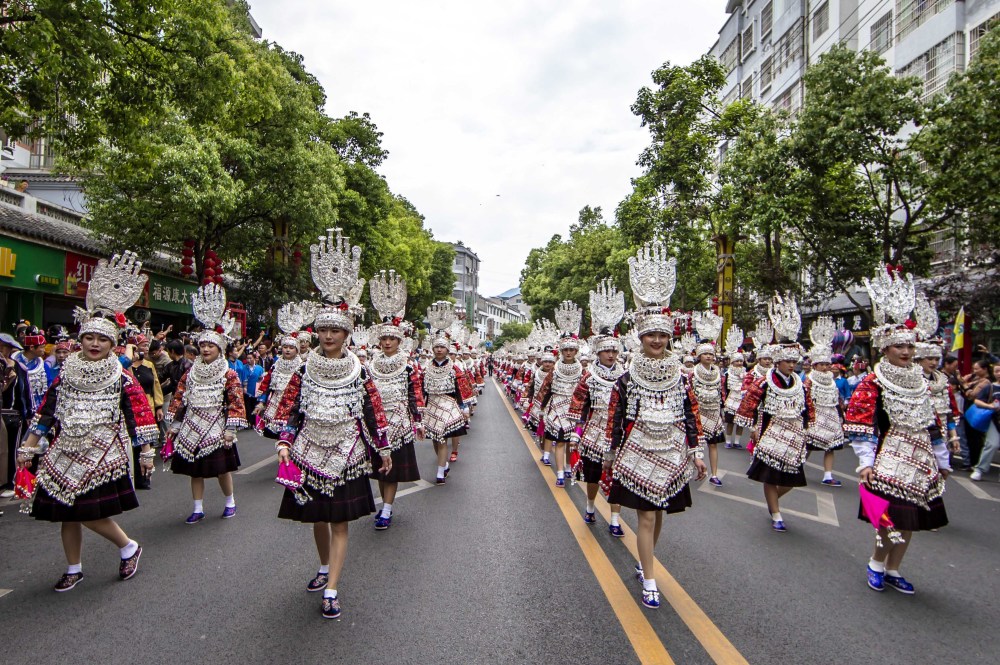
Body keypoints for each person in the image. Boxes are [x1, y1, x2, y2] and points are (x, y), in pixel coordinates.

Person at [16, 252, 157, 591]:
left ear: (113, 343)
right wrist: (29, 447)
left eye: (103, 339)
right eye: (90, 338)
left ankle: (129, 546)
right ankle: (73, 567)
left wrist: (147, 450)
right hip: (65, 448)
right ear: (80, 340)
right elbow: (47, 410)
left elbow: (138, 412)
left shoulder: (121, 375)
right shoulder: (65, 372)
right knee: (66, 511)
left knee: (87, 510)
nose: (95, 344)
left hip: (103, 448)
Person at [271, 227, 392, 619]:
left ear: (346, 333)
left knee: (339, 520)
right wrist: (285, 440)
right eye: (322, 329)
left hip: (348, 452)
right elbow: (292, 410)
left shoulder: (361, 370)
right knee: (317, 517)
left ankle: (333, 588)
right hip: (308, 450)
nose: (327, 335)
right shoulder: (304, 369)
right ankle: (323, 567)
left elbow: (374, 409)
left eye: (334, 329)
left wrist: (384, 447)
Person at [607, 242, 706, 609]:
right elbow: (616, 418)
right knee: (646, 515)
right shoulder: (625, 378)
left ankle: (644, 562)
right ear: (641, 337)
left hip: (672, 451)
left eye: (663, 335)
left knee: (659, 511)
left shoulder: (682, 376)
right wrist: (610, 453)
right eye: (651, 335)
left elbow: (690, 414)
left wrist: (695, 454)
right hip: (637, 453)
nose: (657, 340)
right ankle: (650, 578)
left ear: (669, 337)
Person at [846, 268, 951, 595]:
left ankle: (894, 568)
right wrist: (865, 461)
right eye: (898, 347)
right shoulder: (873, 381)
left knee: (914, 518)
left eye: (909, 346)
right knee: (891, 516)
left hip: (920, 457)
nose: (905, 352)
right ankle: (877, 562)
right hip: (888, 457)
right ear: (885, 348)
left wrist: (942, 458)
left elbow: (931, 421)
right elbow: (860, 423)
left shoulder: (921, 381)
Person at [165, 284, 247, 523]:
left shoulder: (228, 373)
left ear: (219, 348)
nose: (206, 348)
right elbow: (180, 397)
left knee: (222, 469)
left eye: (210, 345)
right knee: (195, 470)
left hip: (216, 424)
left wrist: (230, 429)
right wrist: (176, 423)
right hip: (191, 424)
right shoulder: (190, 373)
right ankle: (198, 507)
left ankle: (230, 501)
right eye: (203, 345)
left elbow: (235, 400)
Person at [737, 293, 813, 533]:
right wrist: (751, 427)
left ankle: (774, 502)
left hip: (794, 436)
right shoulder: (764, 382)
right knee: (770, 475)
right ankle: (776, 512)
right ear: (778, 362)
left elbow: (807, 408)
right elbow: (748, 405)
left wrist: (808, 428)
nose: (792, 365)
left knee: (792, 477)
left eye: (794, 362)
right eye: (787, 361)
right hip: (769, 434)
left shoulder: (801, 384)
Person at [367, 269, 423, 529]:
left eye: (392, 338)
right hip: (376, 424)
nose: (387, 342)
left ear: (400, 340)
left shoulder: (409, 364)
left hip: (399, 423)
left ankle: (387, 509)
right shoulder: (370, 364)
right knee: (379, 467)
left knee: (393, 470)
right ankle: (383, 504)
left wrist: (418, 419)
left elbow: (415, 393)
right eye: (384, 338)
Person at [422, 304, 471, 484]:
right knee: (435, 439)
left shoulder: (454, 368)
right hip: (432, 404)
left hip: (449, 403)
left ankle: (440, 471)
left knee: (442, 437)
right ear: (433, 349)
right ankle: (443, 466)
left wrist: (464, 406)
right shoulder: (426, 368)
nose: (439, 350)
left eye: (443, 347)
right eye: (437, 347)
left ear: (447, 349)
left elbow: (461, 388)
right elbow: (422, 389)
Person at [538, 327, 584, 488]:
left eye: (572, 350)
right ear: (562, 351)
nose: (569, 353)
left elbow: (586, 393)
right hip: (556, 410)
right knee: (559, 443)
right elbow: (545, 389)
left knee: (571, 443)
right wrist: (541, 409)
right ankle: (559, 473)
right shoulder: (555, 370)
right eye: (566, 350)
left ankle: (569, 467)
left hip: (574, 410)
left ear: (576, 351)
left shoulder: (582, 371)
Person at [802, 318, 846, 487]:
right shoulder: (809, 380)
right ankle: (798, 467)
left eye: (828, 364)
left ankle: (828, 475)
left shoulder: (832, 380)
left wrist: (841, 415)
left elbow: (837, 399)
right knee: (810, 445)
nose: (826, 367)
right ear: (815, 365)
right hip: (815, 416)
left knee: (831, 447)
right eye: (822, 364)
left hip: (831, 415)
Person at [129, 334, 164, 490]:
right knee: (132, 445)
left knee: (146, 443)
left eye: (146, 345)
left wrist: (158, 407)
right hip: (130, 408)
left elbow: (156, 386)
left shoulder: (149, 365)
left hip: (147, 407)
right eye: (142, 345)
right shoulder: (126, 366)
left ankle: (144, 477)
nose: (145, 348)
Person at [690, 339, 725, 486]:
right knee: (692, 445)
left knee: (713, 444)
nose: (708, 356)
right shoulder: (692, 374)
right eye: (705, 354)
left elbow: (721, 392)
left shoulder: (718, 373)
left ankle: (714, 474)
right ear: (699, 356)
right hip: (697, 412)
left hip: (714, 412)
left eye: (711, 354)